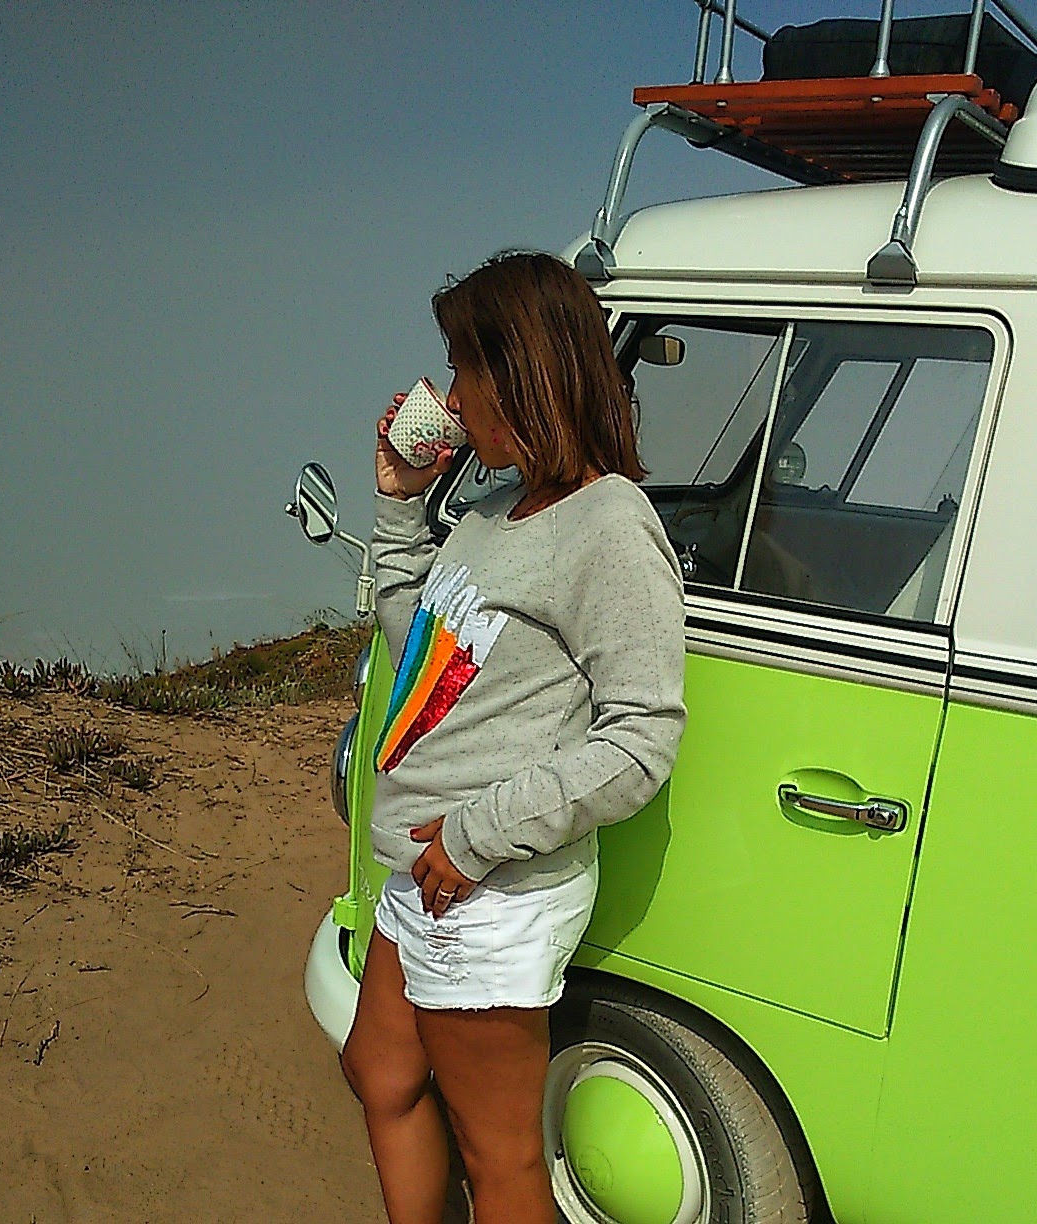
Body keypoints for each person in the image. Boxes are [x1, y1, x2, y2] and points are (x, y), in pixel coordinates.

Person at [339, 251, 687, 1224]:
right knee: (380, 1071)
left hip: (483, 887)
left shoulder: (609, 524)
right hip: (428, 873)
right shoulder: (494, 512)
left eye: (463, 369)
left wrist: (474, 836)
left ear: (519, 372)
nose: (450, 397)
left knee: (500, 1160)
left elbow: (641, 740)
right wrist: (399, 499)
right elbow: (422, 653)